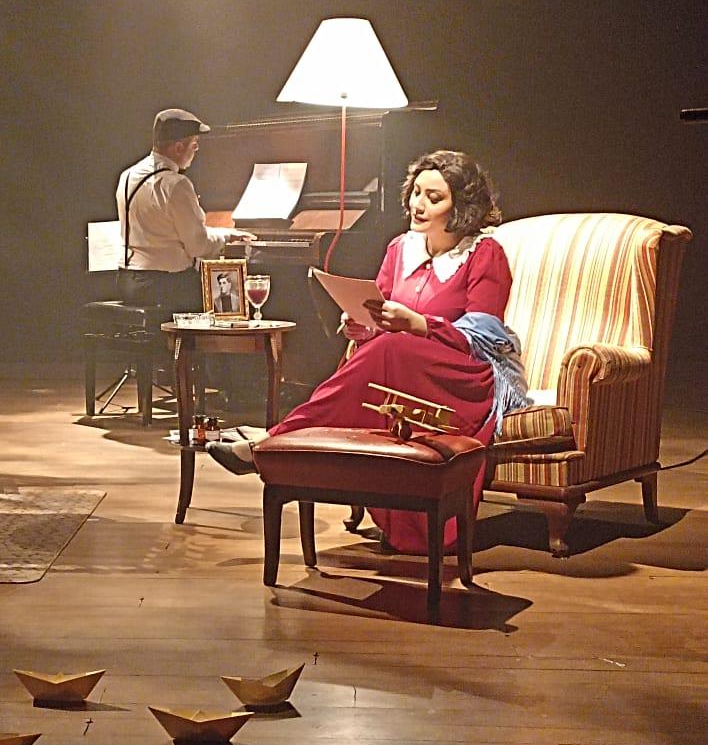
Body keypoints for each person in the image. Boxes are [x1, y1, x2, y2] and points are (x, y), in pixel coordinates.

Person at [207, 150, 530, 555]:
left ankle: (275, 440)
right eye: (416, 192)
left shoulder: (484, 254)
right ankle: (287, 445)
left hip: (464, 377)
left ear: (461, 206)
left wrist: (418, 324)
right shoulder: (400, 248)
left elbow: (484, 336)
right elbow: (380, 313)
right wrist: (362, 324)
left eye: (434, 198)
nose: (418, 204)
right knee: (383, 348)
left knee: (391, 347)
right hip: (404, 369)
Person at [115, 108, 253, 317]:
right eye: (194, 146)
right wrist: (226, 238)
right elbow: (199, 246)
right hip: (166, 285)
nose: (196, 152)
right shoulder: (176, 184)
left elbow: (166, 228)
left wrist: (220, 232)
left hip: (128, 282)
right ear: (179, 147)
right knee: (227, 300)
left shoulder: (127, 176)